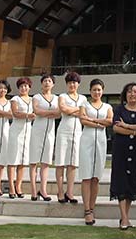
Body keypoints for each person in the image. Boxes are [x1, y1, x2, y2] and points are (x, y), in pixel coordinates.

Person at [111, 82, 136, 230]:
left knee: (131, 181)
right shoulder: (119, 109)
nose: (132, 94)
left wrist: (127, 126)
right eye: (130, 92)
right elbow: (116, 128)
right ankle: (124, 218)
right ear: (125, 94)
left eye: (135, 92)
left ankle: (125, 216)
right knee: (121, 181)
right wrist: (134, 132)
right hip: (121, 150)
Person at [79, 79, 112, 225]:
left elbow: (110, 121)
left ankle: (92, 208)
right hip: (86, 141)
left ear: (102, 91)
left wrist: (92, 120)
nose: (96, 92)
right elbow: (83, 120)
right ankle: (87, 210)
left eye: (99, 89)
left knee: (96, 177)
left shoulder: (107, 106)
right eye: (94, 90)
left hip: (101, 142)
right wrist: (99, 123)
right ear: (90, 91)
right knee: (86, 176)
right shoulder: (84, 104)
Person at [55, 72, 86, 204]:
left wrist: (72, 110)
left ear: (78, 84)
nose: (72, 85)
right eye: (69, 82)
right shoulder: (62, 96)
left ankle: (70, 192)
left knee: (73, 163)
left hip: (77, 131)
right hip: (64, 131)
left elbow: (84, 113)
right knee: (61, 162)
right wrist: (77, 110)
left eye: (74, 82)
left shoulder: (83, 98)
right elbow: (63, 109)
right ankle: (60, 191)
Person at [30, 74, 60, 201]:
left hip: (50, 131)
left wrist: (46, 113)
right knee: (34, 161)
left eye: (49, 81)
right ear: (41, 83)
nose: (47, 83)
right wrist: (51, 113)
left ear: (53, 84)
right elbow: (36, 111)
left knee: (46, 161)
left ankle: (43, 189)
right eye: (45, 81)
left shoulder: (56, 98)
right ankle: (33, 191)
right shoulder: (36, 97)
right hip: (37, 130)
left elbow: (59, 114)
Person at [4, 78, 35, 198]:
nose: (24, 88)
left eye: (26, 86)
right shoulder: (15, 99)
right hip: (16, 131)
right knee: (13, 159)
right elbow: (15, 113)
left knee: (23, 161)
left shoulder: (32, 100)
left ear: (29, 87)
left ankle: (18, 186)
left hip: (27, 132)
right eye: (21, 86)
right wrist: (28, 115)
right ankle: (11, 187)